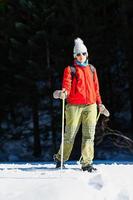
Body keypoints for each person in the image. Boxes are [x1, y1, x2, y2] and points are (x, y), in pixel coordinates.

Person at [54, 37, 103, 172]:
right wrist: (64, 92)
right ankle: (60, 158)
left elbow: (96, 88)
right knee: (70, 134)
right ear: (75, 56)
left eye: (83, 53)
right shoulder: (70, 70)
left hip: (91, 106)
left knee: (89, 135)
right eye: (78, 54)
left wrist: (100, 104)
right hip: (74, 106)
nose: (81, 56)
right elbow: (67, 84)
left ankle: (87, 163)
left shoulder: (92, 69)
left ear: (87, 54)